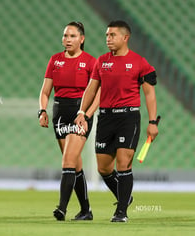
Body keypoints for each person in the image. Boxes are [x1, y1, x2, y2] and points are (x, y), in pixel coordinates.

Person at [75, 20, 158, 222]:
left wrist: (153, 122)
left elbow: (149, 94)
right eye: (106, 35)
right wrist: (82, 112)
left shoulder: (140, 62)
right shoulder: (101, 61)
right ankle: (125, 197)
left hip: (128, 117)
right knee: (103, 168)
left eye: (112, 35)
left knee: (123, 163)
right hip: (105, 117)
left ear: (125, 37)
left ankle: (121, 212)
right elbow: (91, 89)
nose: (108, 39)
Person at [39, 21, 100, 221]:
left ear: (82, 39)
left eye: (72, 36)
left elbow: (98, 94)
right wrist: (42, 110)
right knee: (75, 164)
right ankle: (85, 210)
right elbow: (45, 91)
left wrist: (87, 114)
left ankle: (62, 208)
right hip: (60, 113)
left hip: (79, 113)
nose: (67, 39)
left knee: (67, 161)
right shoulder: (55, 60)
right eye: (65, 35)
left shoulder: (91, 62)